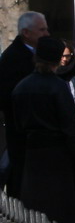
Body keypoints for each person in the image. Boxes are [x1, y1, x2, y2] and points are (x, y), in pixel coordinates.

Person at [7, 36, 75, 223]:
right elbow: (71, 129)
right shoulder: (58, 87)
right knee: (62, 218)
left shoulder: (21, 87)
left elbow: (16, 128)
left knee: (37, 217)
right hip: (59, 160)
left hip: (32, 159)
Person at [0, 10, 49, 190]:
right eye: (42, 30)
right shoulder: (14, 58)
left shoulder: (38, 55)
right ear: (26, 33)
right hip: (23, 136)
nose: (47, 34)